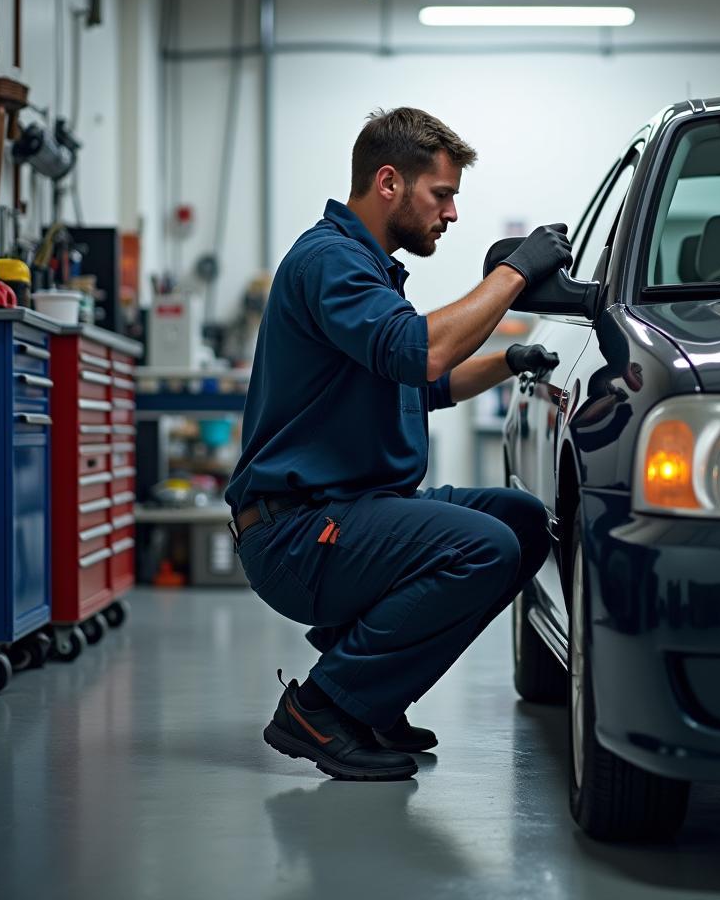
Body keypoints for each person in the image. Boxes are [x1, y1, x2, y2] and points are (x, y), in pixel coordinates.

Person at [225, 106, 573, 781]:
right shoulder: (331, 262)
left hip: (345, 516)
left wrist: (510, 361)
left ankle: (374, 695)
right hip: (298, 533)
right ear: (389, 182)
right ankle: (323, 710)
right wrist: (517, 275)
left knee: (521, 522)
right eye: (441, 195)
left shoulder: (367, 270)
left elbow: (425, 383)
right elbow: (418, 350)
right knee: (483, 546)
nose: (450, 214)